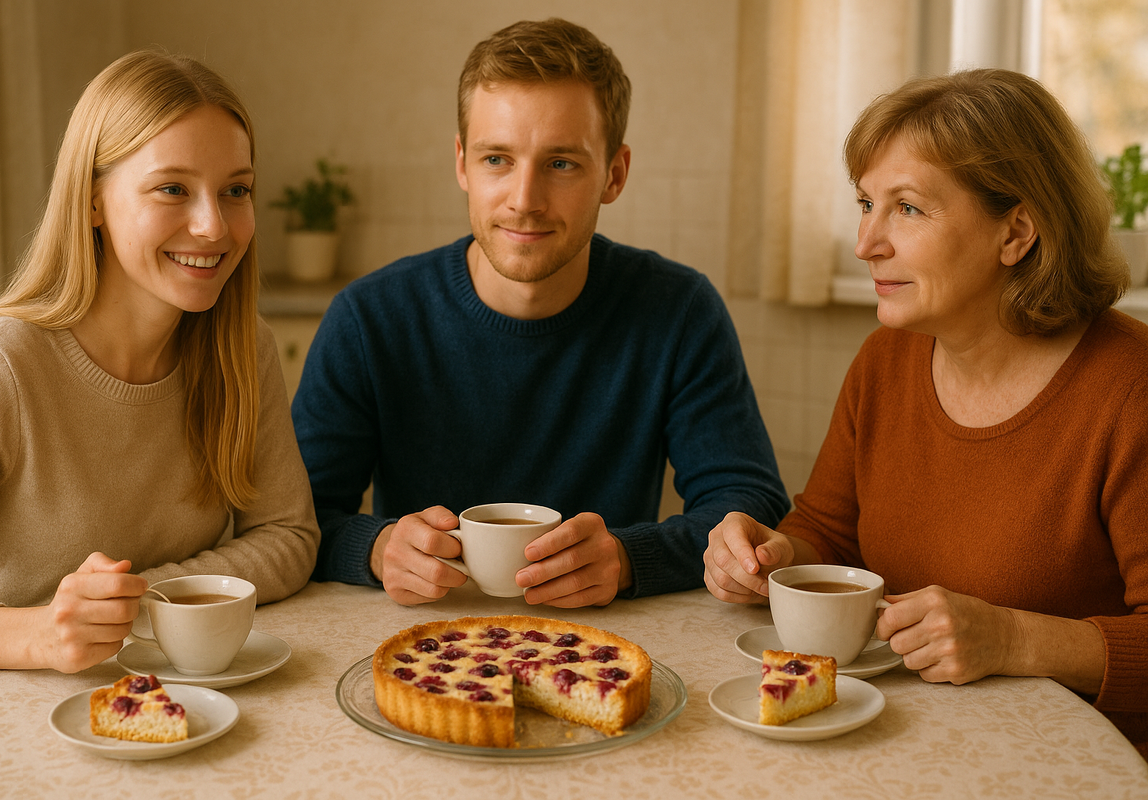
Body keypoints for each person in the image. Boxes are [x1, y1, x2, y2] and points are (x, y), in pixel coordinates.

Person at [703, 68, 1148, 757]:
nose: (867, 242)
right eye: (865, 203)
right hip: (899, 744)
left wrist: (1014, 639)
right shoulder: (885, 360)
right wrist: (772, 556)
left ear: (1016, 233)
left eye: (907, 208)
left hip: (1074, 766)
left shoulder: (1130, 388)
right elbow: (830, 530)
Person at [292, 18, 788, 608]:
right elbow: (297, 521)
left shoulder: (679, 311)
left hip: (612, 640)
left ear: (615, 173)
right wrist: (377, 549)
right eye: (497, 158)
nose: (524, 200)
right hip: (417, 639)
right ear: (461, 165)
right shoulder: (369, 317)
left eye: (561, 164)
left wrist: (630, 559)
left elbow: (746, 501)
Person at [0, 50, 319, 674]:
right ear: (93, 201)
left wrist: (138, 599)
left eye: (237, 191)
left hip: (176, 698)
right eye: (173, 188)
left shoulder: (240, 345)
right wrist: (38, 635)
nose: (213, 226)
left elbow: (289, 537)